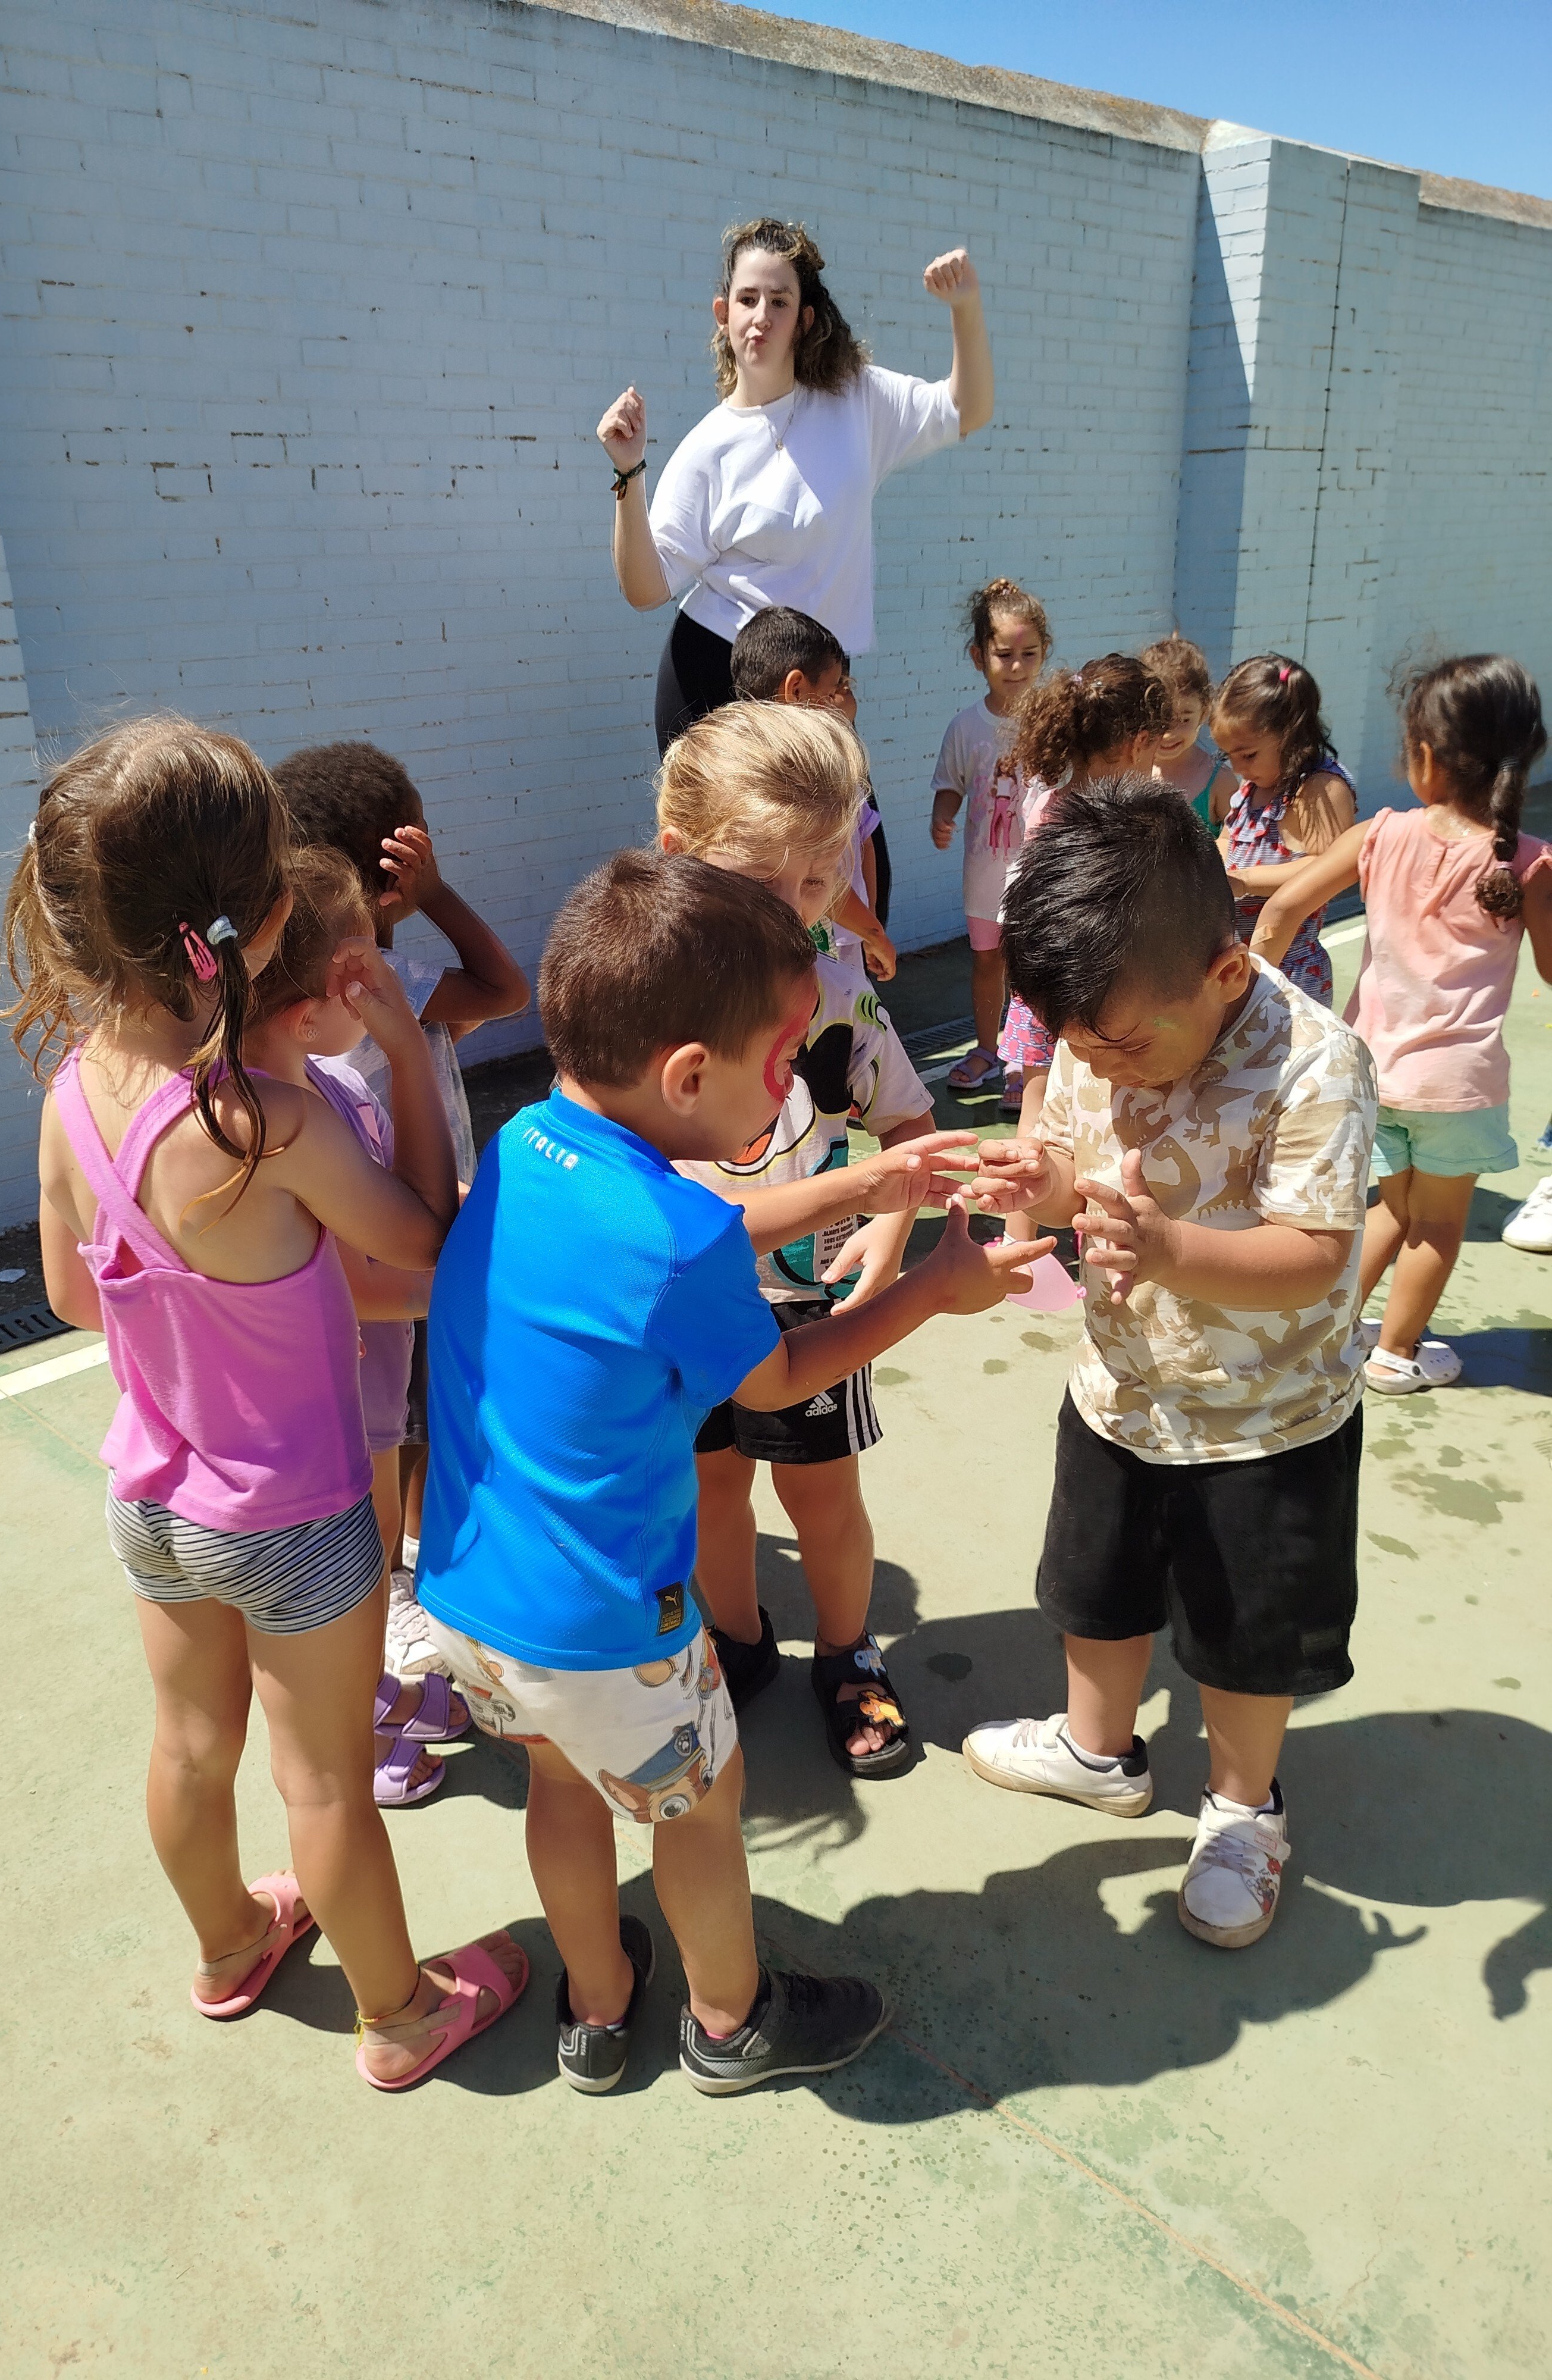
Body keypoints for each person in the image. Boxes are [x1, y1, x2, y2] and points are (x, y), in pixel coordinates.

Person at [413, 849, 1051, 2093]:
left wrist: (854, 1186)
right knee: (696, 1808)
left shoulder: (529, 1143)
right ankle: (729, 2016)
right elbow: (775, 1375)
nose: (792, 1079)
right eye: (782, 1056)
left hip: (472, 1599)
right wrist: (931, 1286)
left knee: (559, 1785)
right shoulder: (683, 1233)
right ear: (690, 1075)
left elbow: (661, 1246)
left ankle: (596, 2012)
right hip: (614, 1629)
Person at [2, 718, 526, 2088]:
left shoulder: (73, 1097)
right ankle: (401, 2011)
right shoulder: (264, 1121)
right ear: (270, 912)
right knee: (323, 1783)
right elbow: (421, 1248)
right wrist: (408, 1053)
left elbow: (71, 1295)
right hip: (290, 1512)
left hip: (149, 1495)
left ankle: (231, 1939)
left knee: (188, 1740)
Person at [964, 779, 1376, 1951]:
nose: (1109, 1065)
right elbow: (1073, 1164)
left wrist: (1171, 1248)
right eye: (1084, 1043)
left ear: (1227, 973)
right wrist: (1028, 1184)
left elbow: (1313, 1255)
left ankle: (1246, 1808)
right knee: (1094, 1588)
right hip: (1120, 1389)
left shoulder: (1315, 1065)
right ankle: (1098, 1748)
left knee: (1245, 1637)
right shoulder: (1107, 1030)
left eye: (1130, 1042)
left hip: (1265, 1420)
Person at [657, 705, 949, 1776]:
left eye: (819, 880)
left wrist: (887, 1230)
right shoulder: (639, 981)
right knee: (712, 1487)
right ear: (682, 857)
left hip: (802, 1298)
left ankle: (846, 1650)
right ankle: (737, 1643)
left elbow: (908, 1123)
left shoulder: (832, 980)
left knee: (819, 1493)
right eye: (765, 879)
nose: (795, 909)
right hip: (679, 1301)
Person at [271, 741, 529, 1677]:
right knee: (392, 1425)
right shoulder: (358, 1009)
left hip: (428, 1239)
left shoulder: (389, 979)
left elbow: (507, 993)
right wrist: (434, 899)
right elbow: (506, 989)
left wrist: (429, 901)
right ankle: (386, 1606)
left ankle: (413, 1567)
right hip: (400, 1259)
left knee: (420, 1418)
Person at [1252, 654, 1551, 1392]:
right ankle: (1395, 1352)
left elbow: (1283, 907)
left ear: (1424, 757)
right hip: (1458, 1087)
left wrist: (1257, 996)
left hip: (1371, 1072)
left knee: (1387, 1209)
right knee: (1436, 1227)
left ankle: (1331, 1338)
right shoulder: (1529, 862)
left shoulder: (1380, 834)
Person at [244, 845, 471, 1804]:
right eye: (365, 966)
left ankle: (373, 1690)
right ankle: (355, 1735)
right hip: (334, 1395)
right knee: (358, 1563)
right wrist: (466, 1281)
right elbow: (366, 1274)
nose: (383, 978)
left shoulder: (329, 1087)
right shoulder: (281, 1123)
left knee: (373, 1556)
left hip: (371, 1379)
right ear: (316, 1000)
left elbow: (414, 1206)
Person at [596, 217, 993, 753]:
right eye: (747, 299)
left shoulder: (855, 400)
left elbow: (967, 409)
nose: (761, 317)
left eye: (779, 302)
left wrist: (964, 308)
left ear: (805, 320)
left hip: (818, 687)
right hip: (719, 682)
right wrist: (628, 471)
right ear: (723, 315)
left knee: (859, 836)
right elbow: (645, 589)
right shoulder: (706, 449)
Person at [996, 656, 1170, 1247]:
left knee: (1036, 1114)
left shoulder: (1050, 800)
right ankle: (1095, 1232)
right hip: (1094, 987)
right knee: (1104, 1115)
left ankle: (1017, 1247)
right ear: (1139, 740)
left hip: (1039, 981)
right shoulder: (1125, 810)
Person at [929, 577, 1052, 1094]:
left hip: (1040, 874)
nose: (1018, 667)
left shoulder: (1054, 722)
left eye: (1029, 654)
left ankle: (1029, 1063)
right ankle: (987, 1048)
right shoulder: (965, 726)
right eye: (1005, 655)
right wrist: (943, 815)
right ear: (978, 657)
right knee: (987, 962)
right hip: (985, 874)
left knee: (1033, 968)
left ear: (1044, 654)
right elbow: (950, 782)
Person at [728, 605, 893, 979]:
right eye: (834, 689)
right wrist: (873, 931)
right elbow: (819, 879)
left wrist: (869, 925)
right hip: (805, 952)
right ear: (797, 690)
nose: (841, 701)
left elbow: (864, 844)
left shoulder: (733, 765)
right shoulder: (792, 781)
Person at [1210, 656, 1356, 1006]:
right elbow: (1228, 840)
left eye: (1248, 755)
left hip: (1291, 974)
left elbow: (1327, 869)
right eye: (1228, 756)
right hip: (1240, 962)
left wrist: (1244, 882)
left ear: (1290, 734)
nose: (1238, 768)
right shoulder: (1252, 787)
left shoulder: (1320, 789)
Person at [1142, 634, 1231, 829]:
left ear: (1204, 712)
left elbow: (1242, 849)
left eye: (1184, 719)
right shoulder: (1126, 773)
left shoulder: (1219, 781)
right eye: (1159, 718)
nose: (1168, 734)